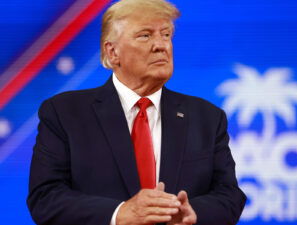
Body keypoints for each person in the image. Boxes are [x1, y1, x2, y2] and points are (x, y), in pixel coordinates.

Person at [27, 0, 246, 224]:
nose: (162, 45)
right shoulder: (64, 113)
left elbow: (229, 196)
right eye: (145, 35)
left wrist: (192, 212)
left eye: (166, 35)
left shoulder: (207, 117)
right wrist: (120, 213)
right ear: (112, 52)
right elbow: (45, 198)